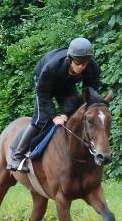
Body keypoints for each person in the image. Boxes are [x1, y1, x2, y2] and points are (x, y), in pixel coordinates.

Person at [7, 37, 101, 172]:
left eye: (85, 63)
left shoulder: (92, 68)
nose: (81, 67)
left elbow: (89, 93)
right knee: (41, 119)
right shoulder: (52, 67)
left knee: (75, 112)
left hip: (66, 84)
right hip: (43, 83)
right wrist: (54, 116)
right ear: (70, 58)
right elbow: (43, 93)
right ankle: (17, 155)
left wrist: (67, 113)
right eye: (78, 62)